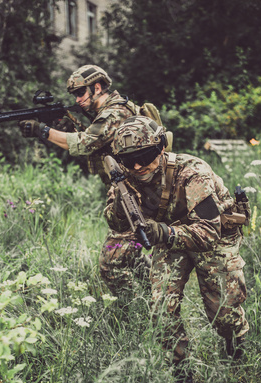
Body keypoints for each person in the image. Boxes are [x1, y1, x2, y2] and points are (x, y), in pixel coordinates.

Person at [104, 115, 250, 363]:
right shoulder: (126, 178)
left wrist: (164, 233)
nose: (137, 166)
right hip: (171, 236)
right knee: (161, 310)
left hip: (213, 236)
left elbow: (208, 234)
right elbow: (114, 222)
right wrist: (120, 203)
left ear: (161, 148)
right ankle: (181, 373)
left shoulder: (192, 172)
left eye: (144, 157)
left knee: (224, 314)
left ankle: (236, 351)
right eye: (129, 160)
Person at [18, 64, 153, 295]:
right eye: (74, 95)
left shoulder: (116, 112)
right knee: (132, 257)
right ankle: (158, 297)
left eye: (81, 93)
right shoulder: (108, 111)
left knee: (110, 264)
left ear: (97, 87)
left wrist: (43, 130)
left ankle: (139, 313)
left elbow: (85, 143)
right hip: (127, 191)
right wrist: (65, 123)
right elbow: (96, 141)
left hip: (134, 195)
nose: (78, 99)